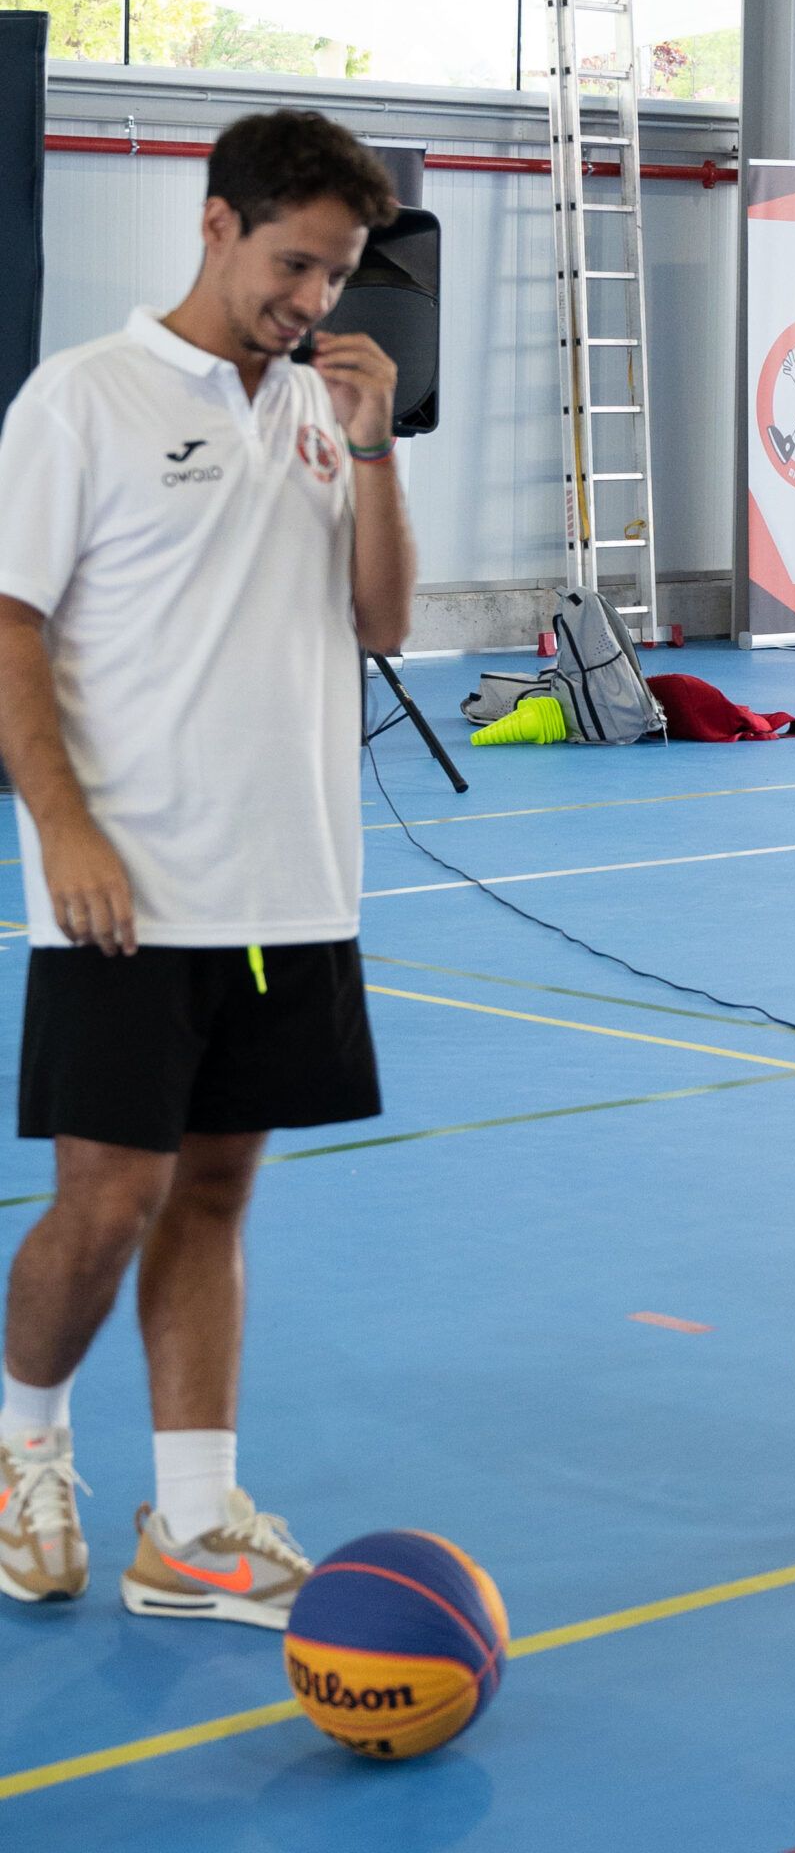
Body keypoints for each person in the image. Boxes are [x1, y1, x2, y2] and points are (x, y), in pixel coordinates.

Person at [0, 108, 416, 1626]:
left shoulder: (322, 410)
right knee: (107, 1201)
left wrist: (374, 450)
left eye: (338, 275)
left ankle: (188, 1527)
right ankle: (22, 1449)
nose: (313, 299)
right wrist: (61, 824)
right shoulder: (81, 398)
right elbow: (10, 625)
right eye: (294, 264)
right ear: (216, 225)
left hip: (292, 876)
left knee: (220, 1190)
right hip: (125, 882)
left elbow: (383, 621)